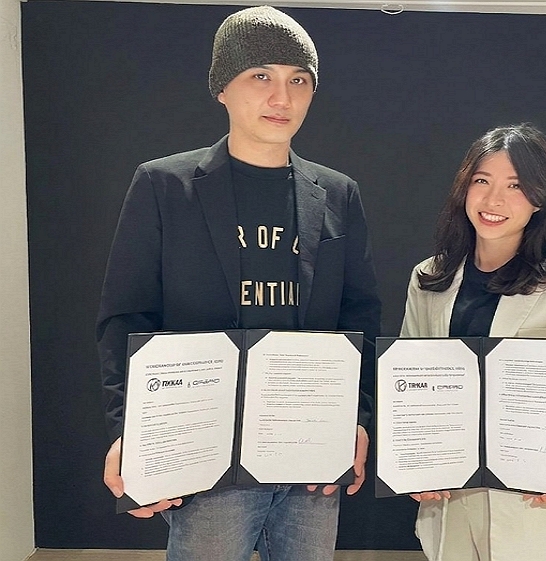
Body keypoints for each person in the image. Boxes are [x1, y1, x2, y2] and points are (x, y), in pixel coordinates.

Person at [96, 6, 381, 561]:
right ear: (222, 88)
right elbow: (126, 317)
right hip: (205, 449)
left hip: (310, 446)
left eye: (298, 80)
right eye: (261, 76)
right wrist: (129, 430)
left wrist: (359, 418)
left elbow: (360, 316)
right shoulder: (164, 185)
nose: (282, 97)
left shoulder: (337, 193)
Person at [400, 123, 546, 561]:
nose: (494, 200)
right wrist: (414, 462)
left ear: (539, 198)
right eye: (482, 181)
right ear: (464, 188)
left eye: (515, 186)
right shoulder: (429, 277)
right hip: (451, 501)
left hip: (536, 501)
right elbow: (409, 379)